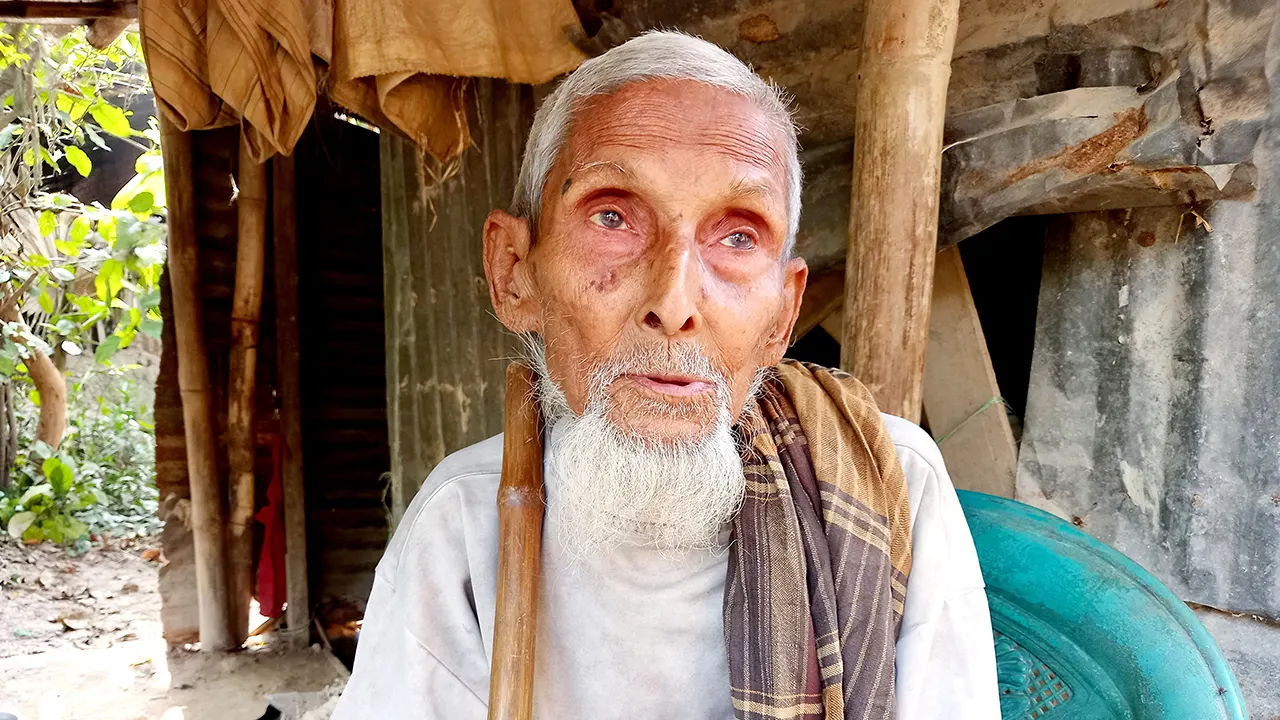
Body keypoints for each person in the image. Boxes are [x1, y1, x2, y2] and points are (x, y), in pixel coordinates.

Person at [334, 31, 999, 720]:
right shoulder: (463, 526)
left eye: (737, 235)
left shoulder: (894, 482)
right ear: (515, 274)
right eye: (614, 217)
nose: (674, 304)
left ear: (783, 314)